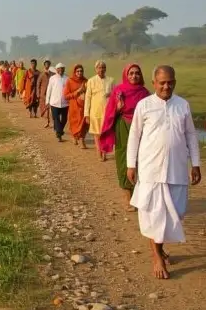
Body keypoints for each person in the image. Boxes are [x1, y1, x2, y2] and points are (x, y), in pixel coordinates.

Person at [127, 65, 201, 279]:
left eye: (170, 82)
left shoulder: (183, 105)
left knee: (175, 214)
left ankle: (159, 247)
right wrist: (131, 164)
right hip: (151, 170)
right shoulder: (144, 105)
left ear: (175, 82)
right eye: (162, 82)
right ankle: (157, 255)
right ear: (154, 83)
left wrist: (195, 164)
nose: (166, 86)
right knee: (154, 215)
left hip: (176, 170)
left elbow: (191, 136)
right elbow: (134, 136)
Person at [99, 64, 151, 211]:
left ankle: (139, 196)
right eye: (131, 73)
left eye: (137, 73)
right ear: (126, 76)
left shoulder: (145, 93)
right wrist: (118, 108)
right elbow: (109, 112)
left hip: (142, 130)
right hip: (124, 127)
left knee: (142, 161)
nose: (134, 76)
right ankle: (128, 198)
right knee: (124, 160)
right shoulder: (119, 90)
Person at [84, 60, 115, 161]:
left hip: (108, 112)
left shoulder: (111, 80)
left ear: (105, 69)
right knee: (97, 134)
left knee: (105, 133)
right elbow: (88, 98)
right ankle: (99, 152)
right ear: (96, 69)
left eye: (103, 67)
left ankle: (104, 152)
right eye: (99, 67)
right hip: (95, 112)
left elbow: (115, 95)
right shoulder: (91, 81)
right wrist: (86, 114)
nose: (101, 69)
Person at [64, 64, 89, 148]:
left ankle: (82, 140)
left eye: (81, 71)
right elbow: (66, 96)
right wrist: (77, 92)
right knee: (74, 122)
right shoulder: (70, 81)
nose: (79, 73)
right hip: (74, 107)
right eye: (77, 71)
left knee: (84, 124)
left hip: (84, 106)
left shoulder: (86, 81)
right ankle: (74, 136)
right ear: (74, 72)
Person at [46, 63, 69, 142]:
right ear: (56, 70)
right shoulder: (52, 78)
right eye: (59, 68)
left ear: (64, 69)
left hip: (65, 103)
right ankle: (59, 133)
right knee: (56, 119)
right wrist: (47, 101)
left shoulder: (67, 78)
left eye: (62, 68)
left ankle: (59, 130)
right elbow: (49, 90)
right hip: (54, 103)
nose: (61, 70)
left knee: (64, 119)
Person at [36, 60, 54, 128]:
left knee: (50, 108)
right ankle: (47, 121)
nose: (47, 65)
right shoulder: (41, 74)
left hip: (51, 94)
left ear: (49, 65)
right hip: (43, 94)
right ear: (44, 65)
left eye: (48, 64)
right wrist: (38, 94)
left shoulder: (52, 74)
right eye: (46, 64)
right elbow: (38, 84)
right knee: (43, 108)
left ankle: (50, 122)